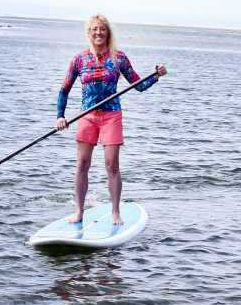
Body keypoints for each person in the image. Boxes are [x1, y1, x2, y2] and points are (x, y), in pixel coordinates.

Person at [55, 14, 166, 226]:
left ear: (108, 33)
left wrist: (156, 75)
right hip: (86, 115)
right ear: (89, 33)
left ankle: (115, 211)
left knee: (112, 164)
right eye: (94, 30)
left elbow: (138, 84)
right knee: (82, 164)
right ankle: (79, 211)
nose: (98, 33)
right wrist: (60, 116)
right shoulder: (79, 59)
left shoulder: (118, 58)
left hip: (111, 115)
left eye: (102, 29)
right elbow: (64, 89)